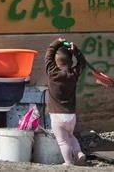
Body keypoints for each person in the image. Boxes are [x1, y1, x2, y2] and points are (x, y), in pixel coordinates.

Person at [45, 37, 88, 166]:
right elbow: (82, 63)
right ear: (70, 61)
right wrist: (77, 51)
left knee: (63, 141)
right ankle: (79, 153)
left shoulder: (52, 73)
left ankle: (68, 162)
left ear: (56, 61)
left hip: (57, 115)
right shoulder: (73, 74)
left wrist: (57, 42)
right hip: (71, 115)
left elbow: (48, 55)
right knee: (70, 136)